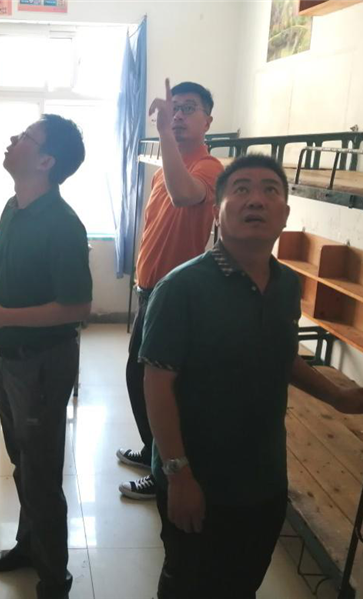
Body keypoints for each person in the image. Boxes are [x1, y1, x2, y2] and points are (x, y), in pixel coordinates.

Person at [141, 154, 363, 599]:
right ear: (217, 212)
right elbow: (157, 385)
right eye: (241, 189)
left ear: (285, 214)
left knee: (242, 584)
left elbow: (281, 356)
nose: (256, 199)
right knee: (189, 583)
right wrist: (178, 476)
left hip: (263, 477)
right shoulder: (181, 288)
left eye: (270, 190)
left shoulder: (286, 284)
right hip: (199, 477)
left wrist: (338, 398)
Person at [0, 114, 92, 599]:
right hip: (10, 355)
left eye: (25, 136)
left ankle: (55, 578)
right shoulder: (12, 207)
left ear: (46, 161)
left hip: (43, 363)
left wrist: (4, 318)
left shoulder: (63, 225)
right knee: (23, 461)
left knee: (40, 472)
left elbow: (76, 308)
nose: (13, 138)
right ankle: (29, 545)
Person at [117, 79, 224, 500]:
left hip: (174, 299)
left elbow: (184, 197)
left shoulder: (208, 168)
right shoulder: (164, 170)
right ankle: (152, 451)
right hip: (150, 291)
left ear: (207, 121)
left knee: (158, 387)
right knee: (138, 378)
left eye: (189, 108)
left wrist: (162, 132)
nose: (178, 115)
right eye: (174, 108)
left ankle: (163, 473)